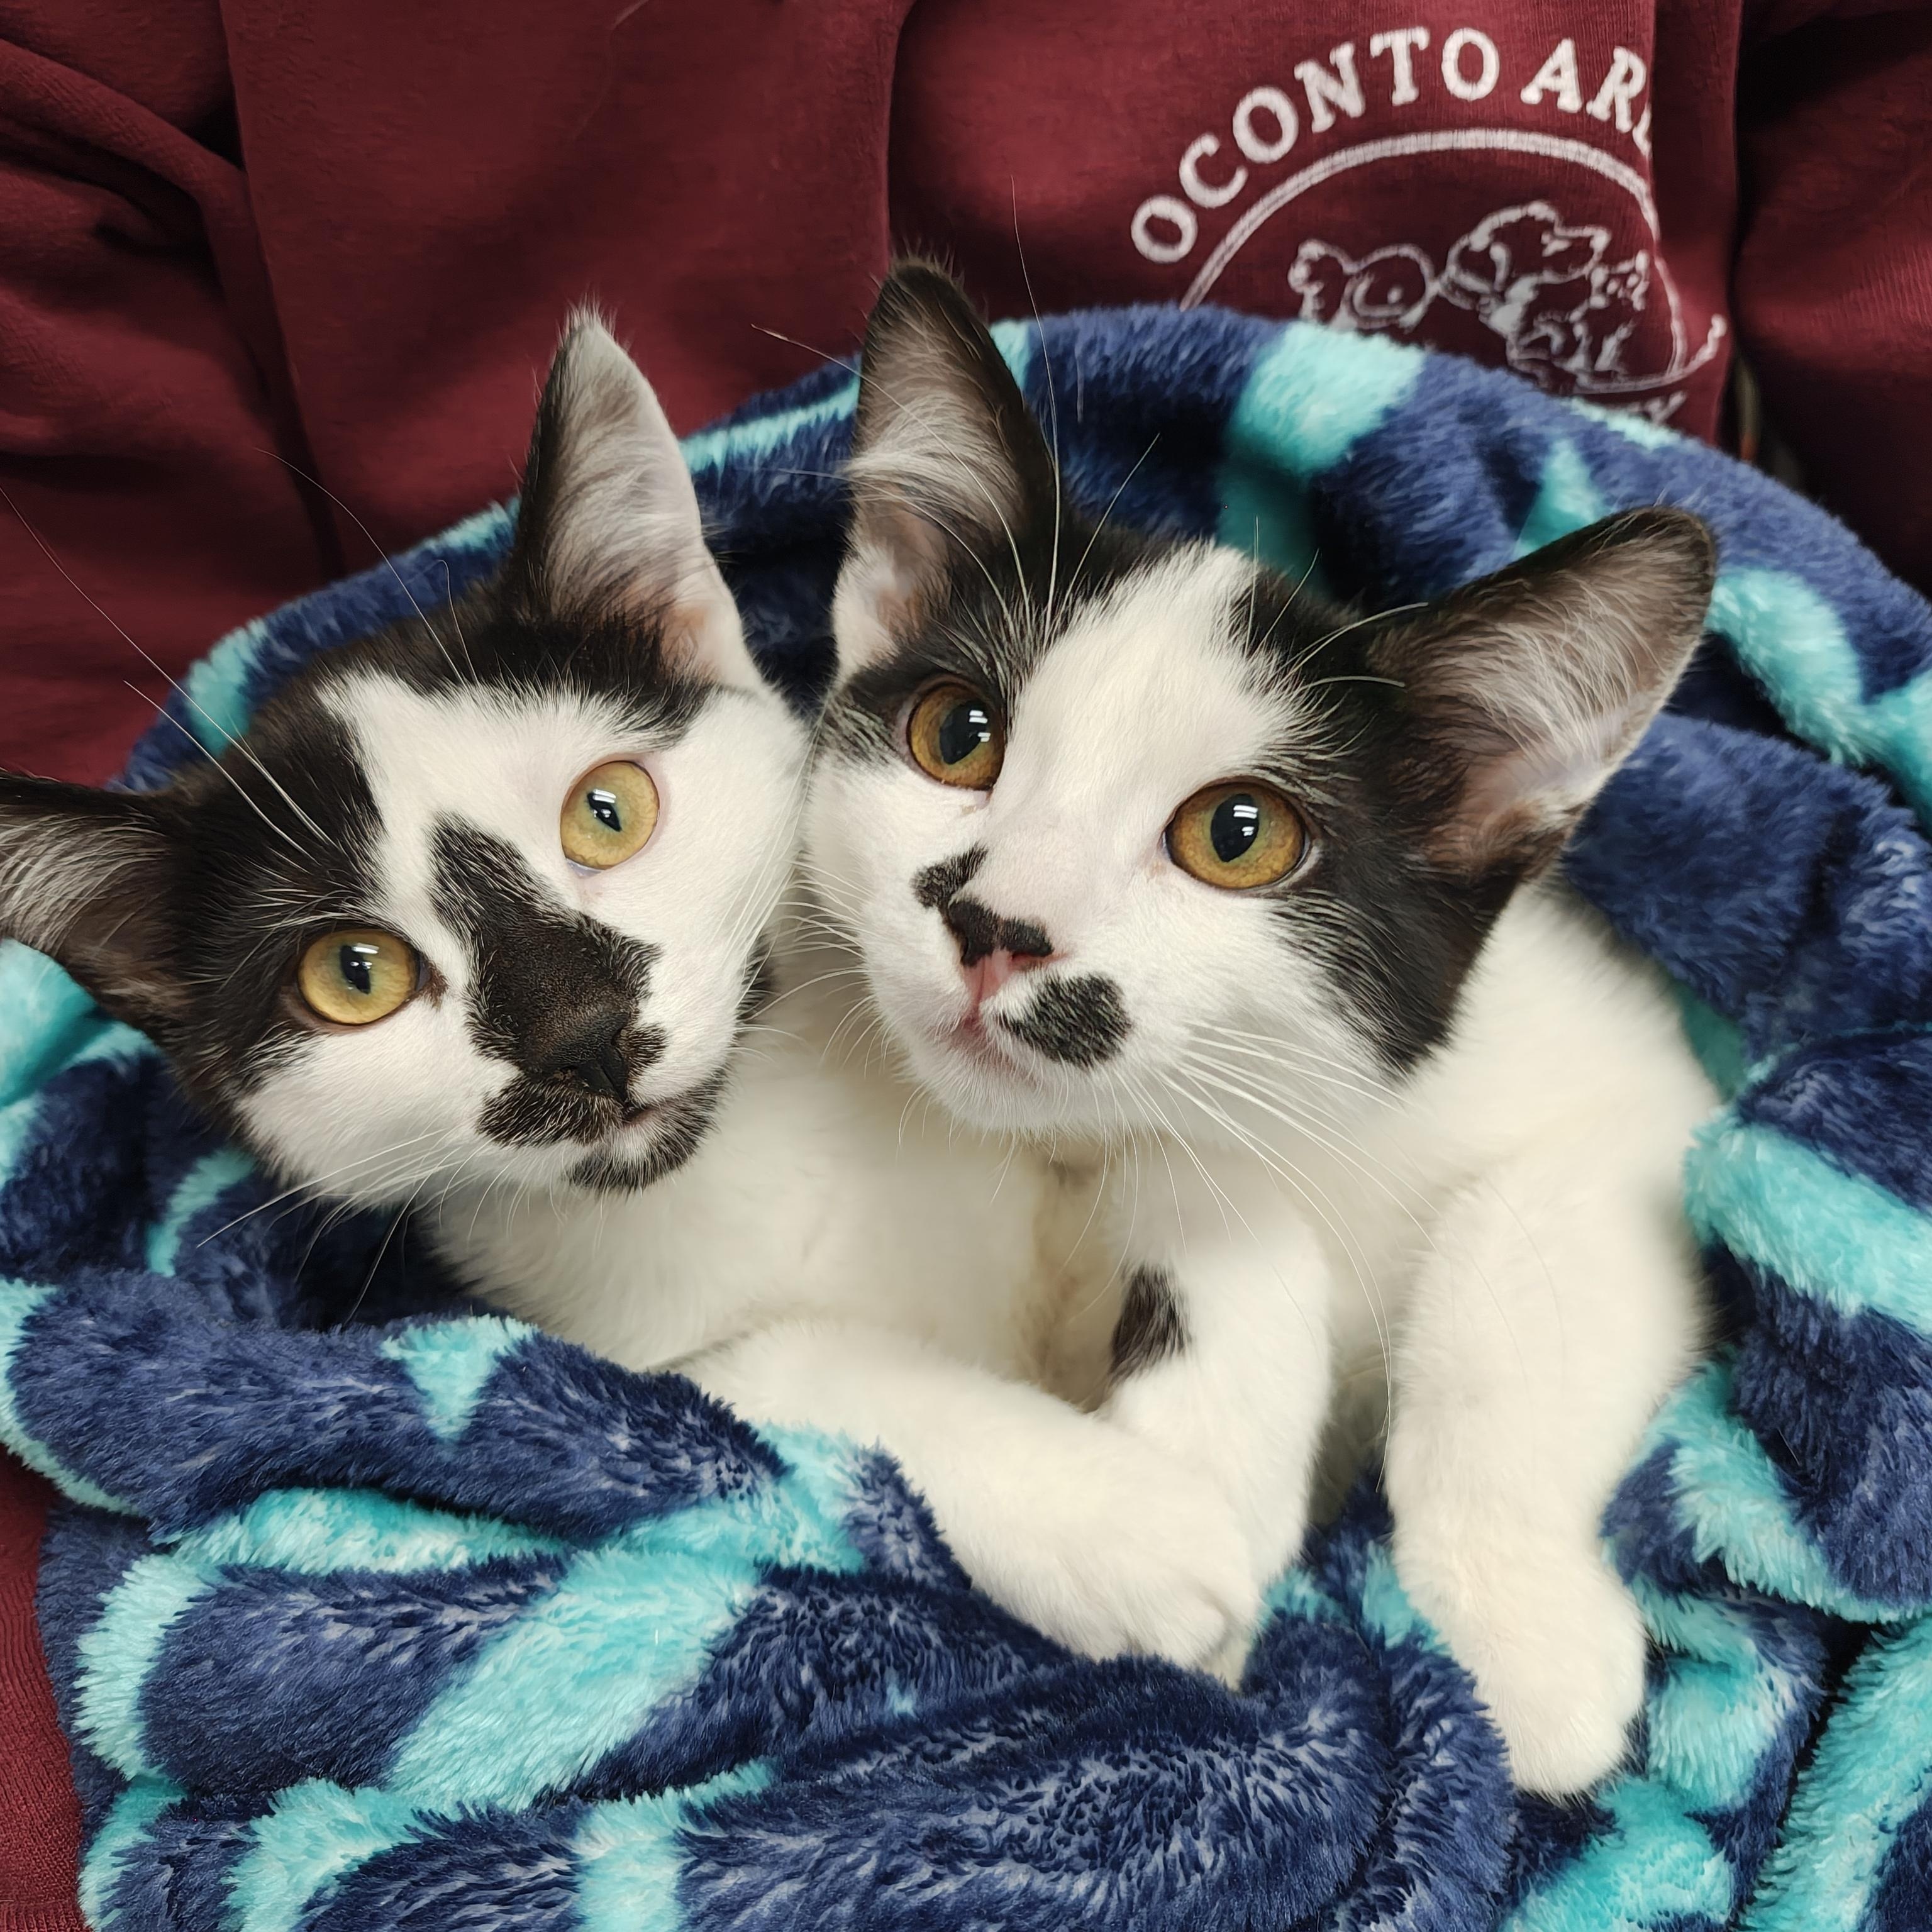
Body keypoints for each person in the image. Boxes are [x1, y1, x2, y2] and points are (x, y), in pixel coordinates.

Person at [1, 4, 1926, 1919]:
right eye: (958, 742)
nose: (1004, 917)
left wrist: (1482, 1509)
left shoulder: (1293, 1031)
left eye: (1230, 838)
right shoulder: (856, 1039)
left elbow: (1590, 1144)